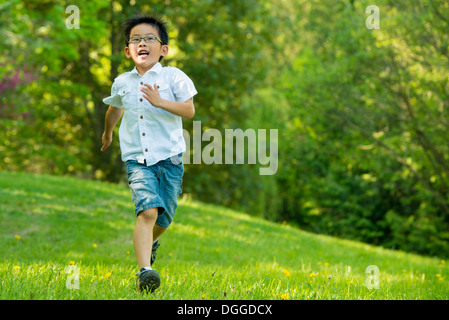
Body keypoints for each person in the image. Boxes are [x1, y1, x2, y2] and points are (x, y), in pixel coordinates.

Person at [101, 14, 198, 293]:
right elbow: (115, 109)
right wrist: (108, 132)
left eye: (149, 39)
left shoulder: (173, 77)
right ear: (128, 50)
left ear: (163, 49)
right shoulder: (122, 82)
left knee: (164, 218)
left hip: (170, 159)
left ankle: (152, 243)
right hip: (137, 160)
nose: (142, 43)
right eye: (135, 39)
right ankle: (145, 271)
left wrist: (160, 101)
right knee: (147, 212)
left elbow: (189, 110)